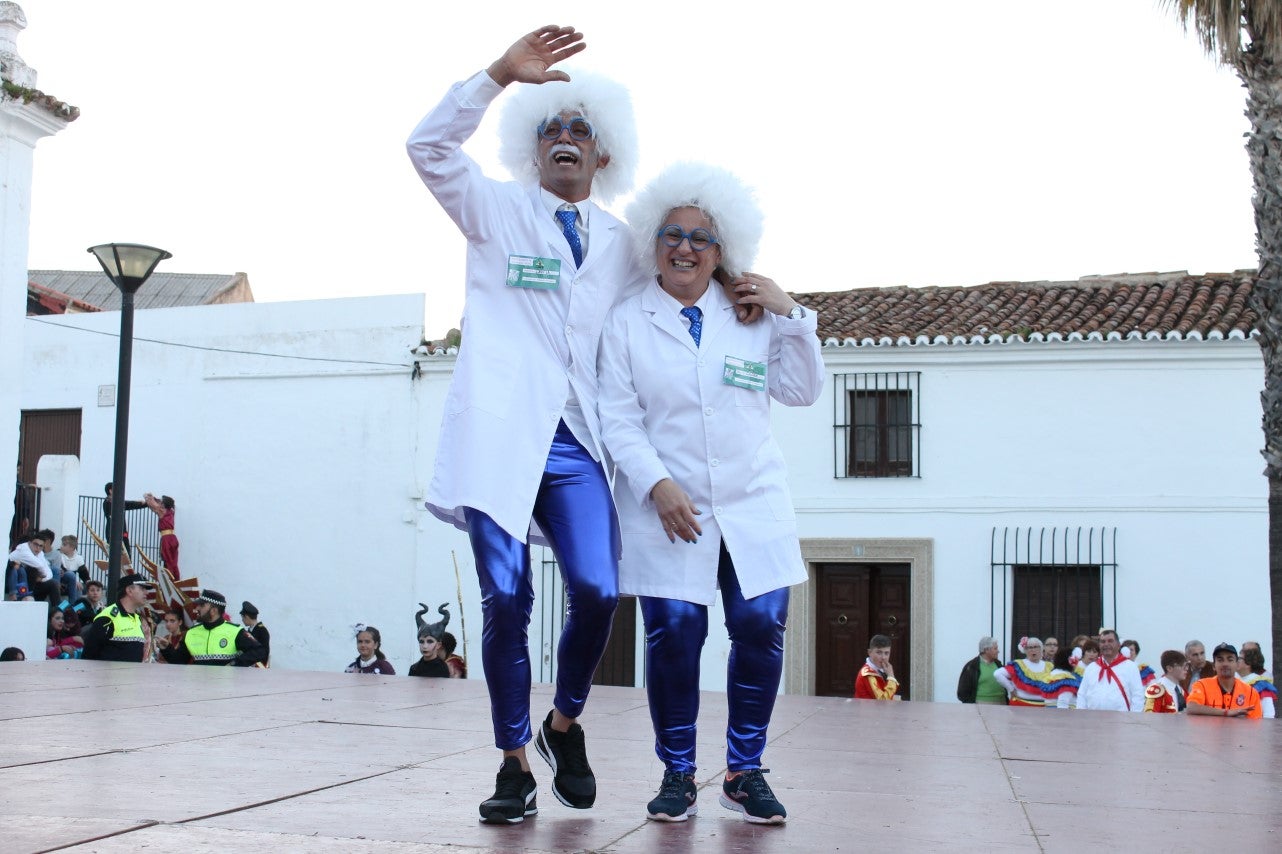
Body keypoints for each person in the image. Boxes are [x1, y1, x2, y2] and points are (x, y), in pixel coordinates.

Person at [405, 25, 758, 826]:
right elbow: (427, 147)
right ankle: (510, 763)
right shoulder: (493, 211)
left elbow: (684, 265)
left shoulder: (623, 243)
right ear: (532, 152)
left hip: (576, 442)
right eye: (551, 130)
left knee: (598, 590)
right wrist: (497, 75)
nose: (565, 140)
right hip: (499, 437)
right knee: (505, 598)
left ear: (605, 156)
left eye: (580, 131)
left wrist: (747, 290)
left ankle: (563, 722)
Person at [598, 161, 822, 825]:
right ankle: (677, 771)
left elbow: (800, 391)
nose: (685, 247)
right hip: (670, 505)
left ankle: (744, 771)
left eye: (701, 237)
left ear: (723, 250)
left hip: (753, 501)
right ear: (653, 243)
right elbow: (617, 416)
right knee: (674, 630)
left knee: (759, 625)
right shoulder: (627, 323)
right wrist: (656, 483)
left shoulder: (753, 316)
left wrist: (792, 314)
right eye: (672, 234)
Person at [159, 589, 265, 666]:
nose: (197, 608)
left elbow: (259, 651)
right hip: (197, 691)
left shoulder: (235, 631)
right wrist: (166, 649)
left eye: (202, 605)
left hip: (225, 693)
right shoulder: (191, 633)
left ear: (213, 611)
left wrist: (235, 664)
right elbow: (180, 661)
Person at [81, 572, 156, 662]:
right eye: (142, 588)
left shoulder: (138, 619)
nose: (146, 592)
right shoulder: (108, 617)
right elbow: (88, 656)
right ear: (129, 591)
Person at [1187, 643, 1263, 719]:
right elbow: (1191, 708)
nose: (1225, 664)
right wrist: (1226, 712)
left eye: (1230, 660)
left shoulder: (1251, 693)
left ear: (1237, 664)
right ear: (1214, 666)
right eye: (1220, 660)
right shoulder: (1202, 685)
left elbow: (1256, 723)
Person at [1076, 629, 1144, 712]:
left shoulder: (1130, 667)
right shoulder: (1091, 667)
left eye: (1110, 641)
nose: (1106, 644)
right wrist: (1082, 716)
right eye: (1103, 642)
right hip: (1093, 720)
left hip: (1121, 721)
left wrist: (1133, 720)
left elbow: (1138, 695)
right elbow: (1082, 694)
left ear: (1118, 645)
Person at [993, 637, 1073, 707]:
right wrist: (1011, 689)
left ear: (1041, 649)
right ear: (1025, 650)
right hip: (1021, 705)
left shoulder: (1050, 666)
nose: (1033, 650)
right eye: (1029, 648)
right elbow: (997, 674)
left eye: (1036, 647)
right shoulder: (1019, 665)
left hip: (1044, 706)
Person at [957, 636, 1006, 704]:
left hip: (1002, 704)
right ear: (986, 650)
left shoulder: (999, 664)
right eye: (995, 648)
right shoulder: (971, 666)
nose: (998, 651)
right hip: (982, 704)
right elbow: (962, 691)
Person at [142, 493, 180, 580]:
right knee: (174, 562)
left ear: (164, 505)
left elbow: (152, 504)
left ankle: (170, 580)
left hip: (166, 539)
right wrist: (155, 499)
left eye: (162, 502)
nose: (160, 503)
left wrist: (148, 497)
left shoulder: (162, 511)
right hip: (173, 538)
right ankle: (177, 580)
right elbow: (154, 506)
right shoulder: (170, 511)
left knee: (168, 561)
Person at [103, 483, 145, 558]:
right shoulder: (108, 502)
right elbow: (126, 504)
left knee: (127, 557)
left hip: (122, 534)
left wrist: (144, 504)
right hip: (113, 534)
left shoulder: (117, 502)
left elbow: (130, 504)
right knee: (116, 557)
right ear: (111, 491)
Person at [854, 635, 901, 701]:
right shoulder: (868, 674)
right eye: (879, 652)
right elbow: (883, 701)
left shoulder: (879, 670)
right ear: (869, 652)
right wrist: (891, 676)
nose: (883, 657)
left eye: (886, 653)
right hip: (868, 710)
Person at [1237, 646, 1276, 719]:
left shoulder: (1261, 684)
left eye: (1239, 658)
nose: (1236, 661)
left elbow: (1268, 714)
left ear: (1249, 663)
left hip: (1255, 728)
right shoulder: (1235, 682)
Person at [53, 535, 84, 605]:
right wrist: (75, 581)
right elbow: (63, 570)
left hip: (71, 584)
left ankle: (76, 610)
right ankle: (71, 607)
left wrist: (88, 581)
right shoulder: (58, 555)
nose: (61, 546)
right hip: (61, 582)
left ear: (72, 547)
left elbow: (83, 572)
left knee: (78, 588)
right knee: (71, 575)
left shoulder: (79, 558)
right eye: (62, 544)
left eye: (64, 545)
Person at [240, 601, 270, 665]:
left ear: (247, 617)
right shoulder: (249, 631)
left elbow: (264, 652)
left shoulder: (262, 631)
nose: (242, 620)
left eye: (242, 617)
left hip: (258, 669)